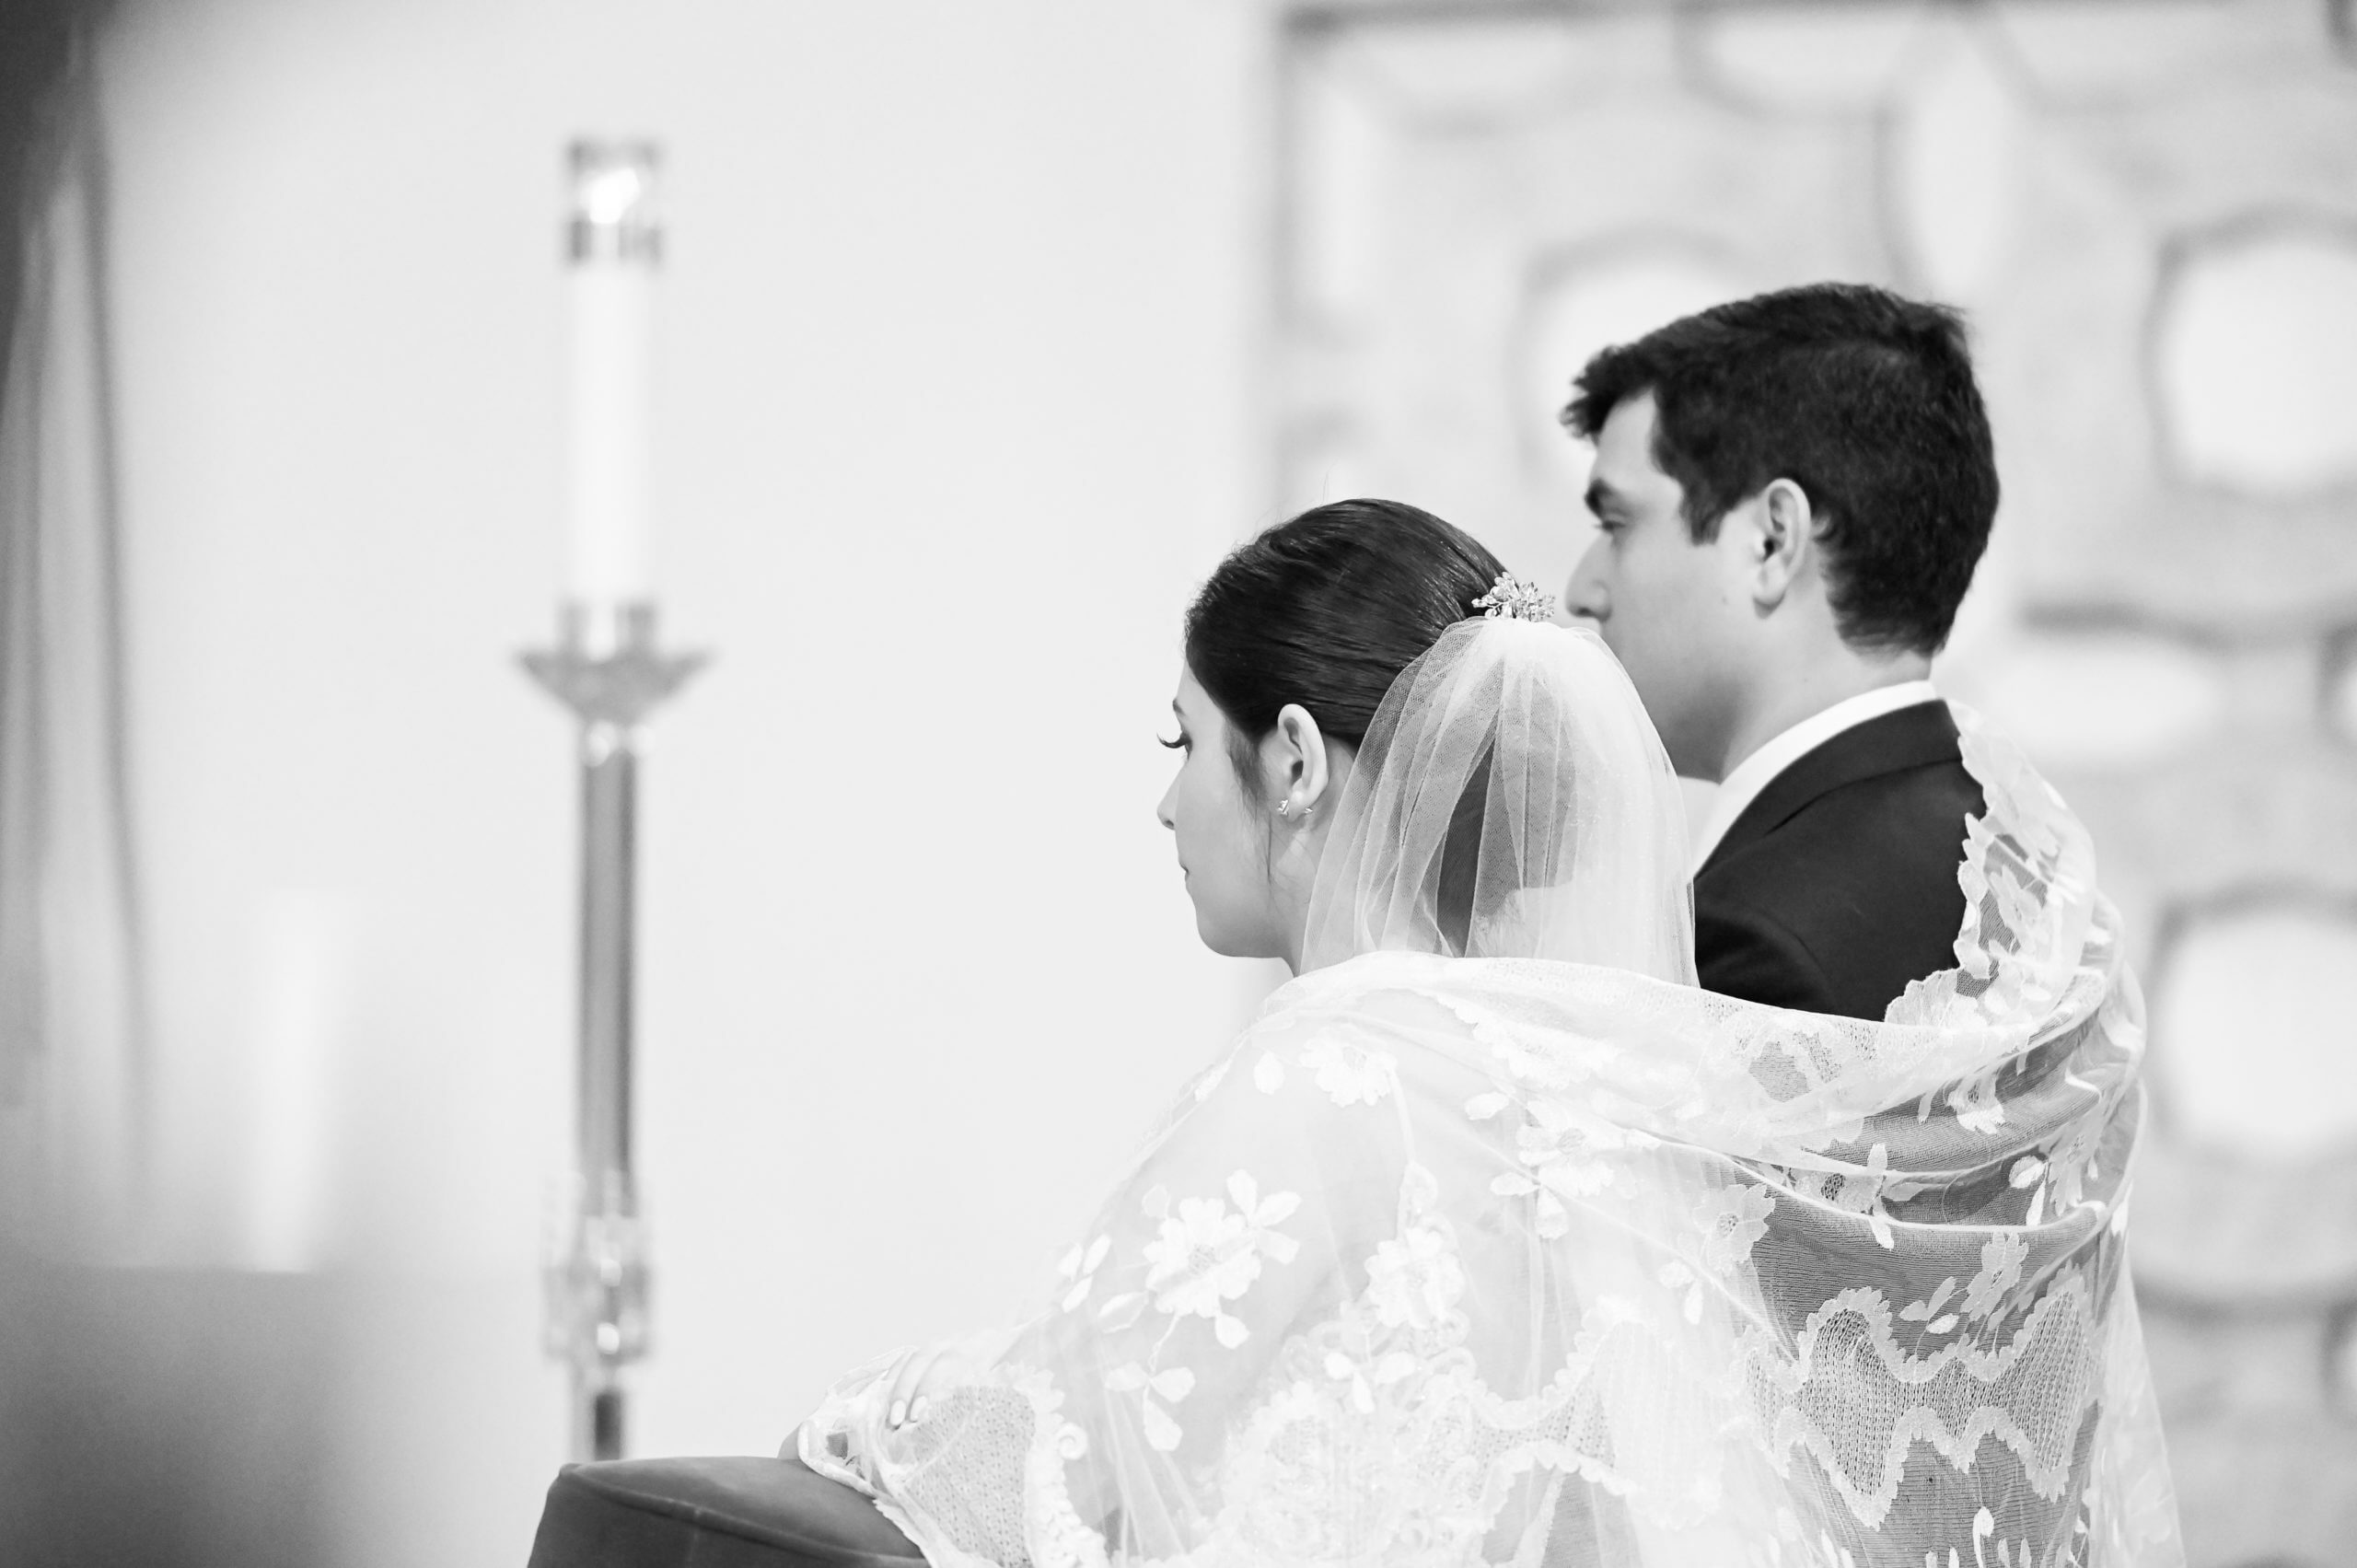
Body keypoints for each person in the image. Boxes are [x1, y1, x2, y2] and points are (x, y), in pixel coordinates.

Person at [788, 496, 2177, 1566]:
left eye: (1183, 744)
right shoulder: (1579, 1073)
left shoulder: (1340, 1063)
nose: (1167, 803)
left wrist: (861, 1416)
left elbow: (1067, 1456)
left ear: (1291, 756)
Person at [1562, 283, 1995, 1020]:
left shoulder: (1756, 947)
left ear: (1772, 541)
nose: (1583, 589)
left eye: (1618, 524)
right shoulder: (2008, 849)